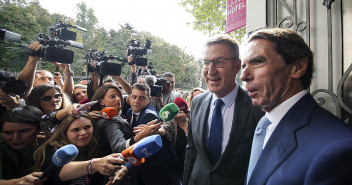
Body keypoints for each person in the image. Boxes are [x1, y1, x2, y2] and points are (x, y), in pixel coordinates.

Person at [240, 28, 352, 185]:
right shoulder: (264, 124)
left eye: (258, 62)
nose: (244, 76)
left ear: (298, 67)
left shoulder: (338, 150)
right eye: (243, 66)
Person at [183, 35, 264, 185]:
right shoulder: (197, 102)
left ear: (237, 66)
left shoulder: (257, 108)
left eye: (219, 62)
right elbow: (191, 150)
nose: (211, 70)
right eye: (206, 63)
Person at [33, 114, 124, 185]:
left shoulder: (100, 148)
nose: (83, 133)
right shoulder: (52, 147)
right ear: (65, 132)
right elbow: (57, 172)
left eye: (87, 127)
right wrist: (93, 165)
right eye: (76, 130)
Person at [0, 106, 45, 185]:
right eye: (8, 132)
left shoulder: (50, 145)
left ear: (39, 129)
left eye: (24, 131)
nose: (16, 138)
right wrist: (17, 182)